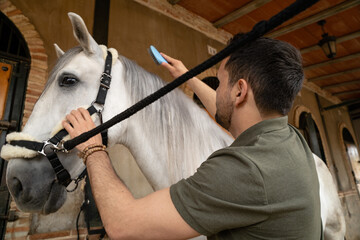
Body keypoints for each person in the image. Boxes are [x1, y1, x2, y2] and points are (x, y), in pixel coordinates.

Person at [62, 35, 322, 239]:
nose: (217, 90)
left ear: (240, 91)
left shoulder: (245, 171)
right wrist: (186, 77)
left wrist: (92, 148)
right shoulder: (288, 137)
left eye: (219, 83)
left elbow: (122, 224)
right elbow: (229, 113)